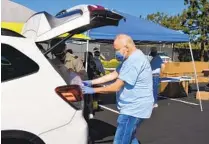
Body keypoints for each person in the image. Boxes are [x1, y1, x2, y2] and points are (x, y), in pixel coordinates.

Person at [82, 34, 154, 144]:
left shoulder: (134, 61)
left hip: (133, 109)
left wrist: (93, 90)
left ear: (126, 47)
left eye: (117, 49)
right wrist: (90, 82)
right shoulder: (129, 58)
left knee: (121, 140)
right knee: (130, 138)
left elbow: (116, 87)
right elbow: (114, 74)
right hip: (134, 107)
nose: (116, 53)